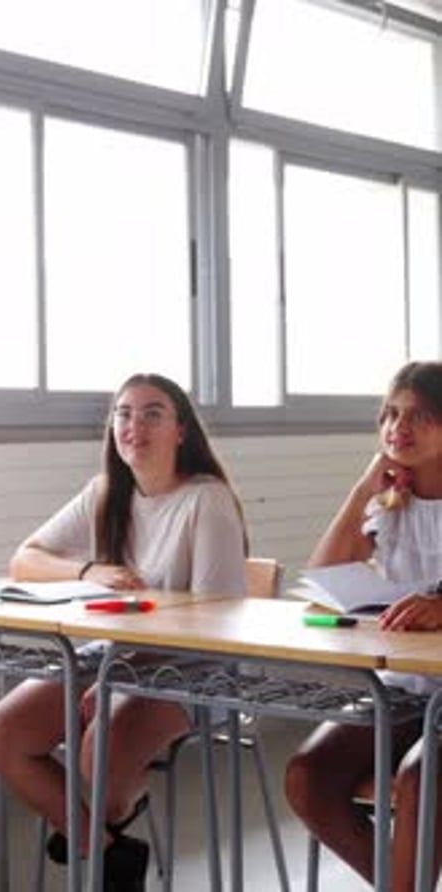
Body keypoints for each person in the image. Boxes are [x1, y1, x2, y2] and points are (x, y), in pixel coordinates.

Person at [0, 373, 247, 892]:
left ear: (181, 431)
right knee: (3, 733)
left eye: (152, 414)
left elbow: (219, 621)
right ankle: (105, 848)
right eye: (123, 413)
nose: (133, 425)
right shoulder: (105, 493)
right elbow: (24, 558)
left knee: (98, 748)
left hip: (198, 668)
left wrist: (118, 680)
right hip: (116, 657)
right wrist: (87, 573)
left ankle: (97, 828)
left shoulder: (206, 499)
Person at [284, 360, 442, 892]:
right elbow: (327, 577)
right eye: (391, 414)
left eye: (421, 415)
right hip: (400, 689)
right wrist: (361, 490)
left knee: (421, 780)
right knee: (308, 778)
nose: (400, 427)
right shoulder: (389, 503)